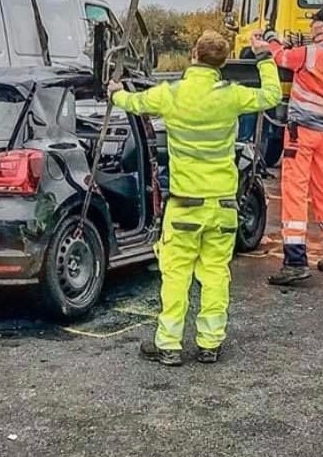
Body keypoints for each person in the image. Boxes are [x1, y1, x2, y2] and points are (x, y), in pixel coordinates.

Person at [109, 30, 282, 366]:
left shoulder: (172, 94)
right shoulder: (232, 96)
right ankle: (210, 343)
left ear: (193, 55)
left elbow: (134, 104)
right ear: (223, 62)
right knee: (216, 274)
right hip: (222, 207)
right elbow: (272, 95)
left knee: (176, 277)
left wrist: (115, 93)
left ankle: (169, 345)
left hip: (184, 206)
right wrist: (264, 56)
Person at [264, 6, 323, 286]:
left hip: (301, 132)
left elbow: (281, 58)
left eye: (314, 23)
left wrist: (270, 38)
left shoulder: (310, 53)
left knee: (294, 191)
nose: (311, 26)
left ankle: (295, 261)